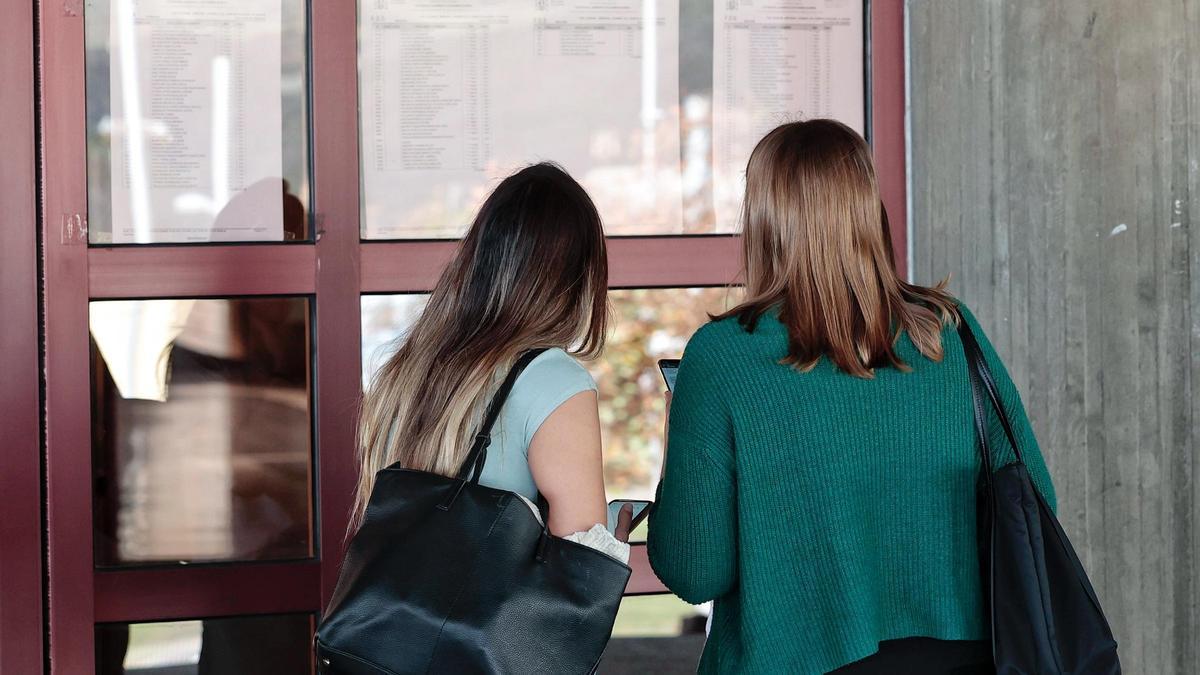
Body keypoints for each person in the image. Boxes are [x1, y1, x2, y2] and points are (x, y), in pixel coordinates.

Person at [647, 119, 1056, 674]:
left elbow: (695, 570)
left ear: (764, 221)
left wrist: (677, 442)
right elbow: (1035, 505)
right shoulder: (947, 333)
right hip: (968, 659)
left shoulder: (722, 357)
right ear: (868, 208)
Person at [353, 162, 630, 554]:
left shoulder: (406, 371)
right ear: (580, 278)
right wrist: (612, 544)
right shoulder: (553, 381)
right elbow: (576, 576)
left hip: (396, 615)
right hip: (484, 617)